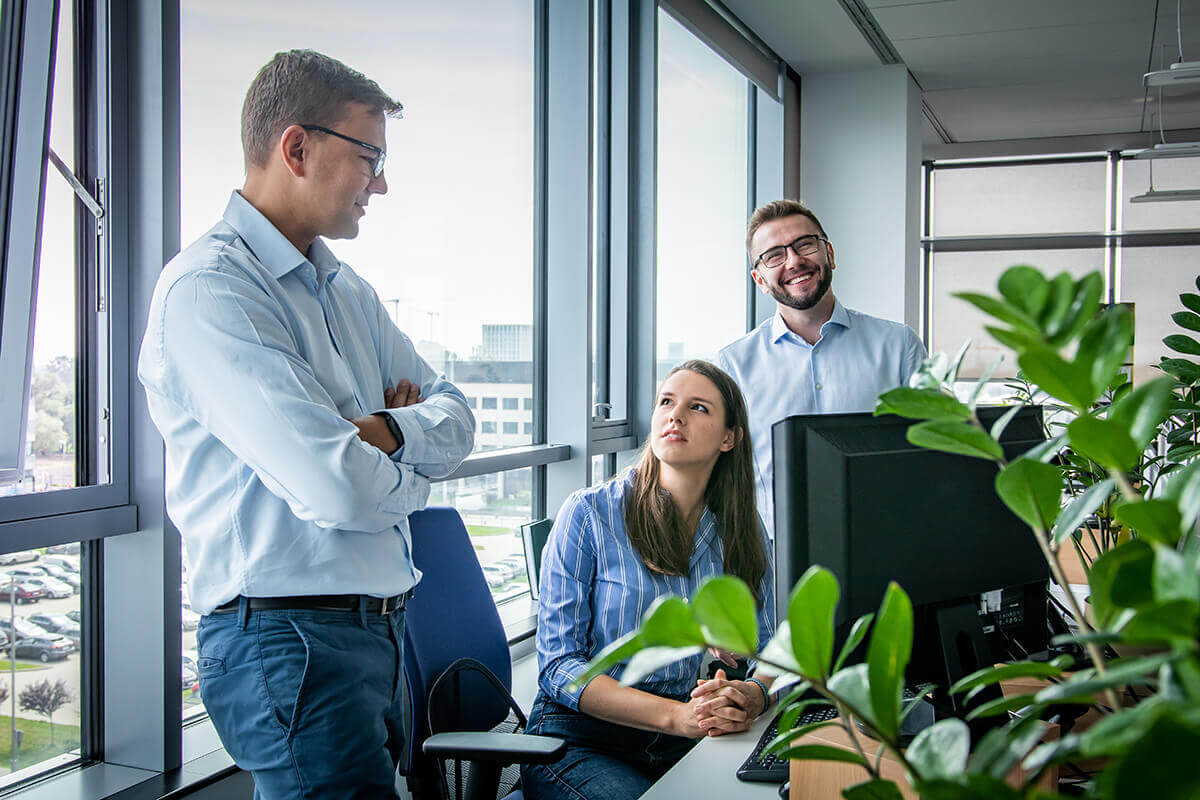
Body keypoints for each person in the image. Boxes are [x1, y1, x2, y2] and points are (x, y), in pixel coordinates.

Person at [137, 50, 474, 799]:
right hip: (288, 641)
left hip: (377, 630)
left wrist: (384, 431)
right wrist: (414, 471)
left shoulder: (346, 291)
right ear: (297, 147)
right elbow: (339, 489)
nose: (381, 183)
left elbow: (456, 416)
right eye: (370, 156)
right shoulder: (212, 292)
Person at [521, 360, 775, 800]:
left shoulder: (739, 528)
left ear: (729, 437)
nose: (675, 415)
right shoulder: (589, 514)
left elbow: (773, 647)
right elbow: (559, 668)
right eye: (666, 402)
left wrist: (752, 693)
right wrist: (678, 718)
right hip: (577, 740)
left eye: (698, 407)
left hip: (677, 736)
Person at [717, 199, 927, 538]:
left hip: (886, 544)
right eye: (774, 255)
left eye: (805, 244)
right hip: (777, 562)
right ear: (759, 279)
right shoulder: (734, 365)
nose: (794, 260)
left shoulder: (898, 345)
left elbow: (930, 455)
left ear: (829, 253)